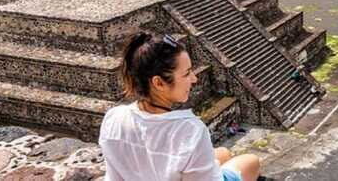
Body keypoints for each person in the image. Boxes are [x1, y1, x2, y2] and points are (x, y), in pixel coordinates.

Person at [100, 32, 261, 181]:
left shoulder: (114, 118)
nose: (194, 79)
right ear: (159, 83)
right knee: (250, 161)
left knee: (223, 153)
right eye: (186, 73)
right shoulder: (189, 131)